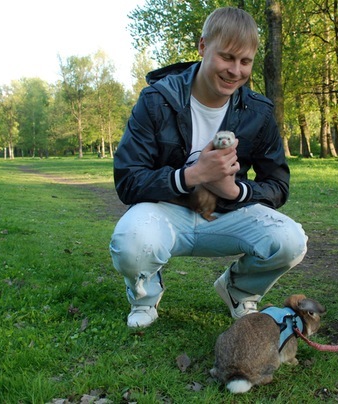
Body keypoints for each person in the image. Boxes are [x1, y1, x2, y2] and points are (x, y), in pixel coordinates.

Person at [109, 7, 307, 328]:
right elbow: (128, 180)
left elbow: (278, 185)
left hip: (227, 213)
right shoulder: (156, 100)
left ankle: (238, 290)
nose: (235, 71)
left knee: (290, 240)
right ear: (203, 47)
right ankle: (145, 297)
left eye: (245, 61)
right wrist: (192, 175)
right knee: (132, 240)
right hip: (166, 211)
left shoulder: (258, 112)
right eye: (227, 57)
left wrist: (235, 191)